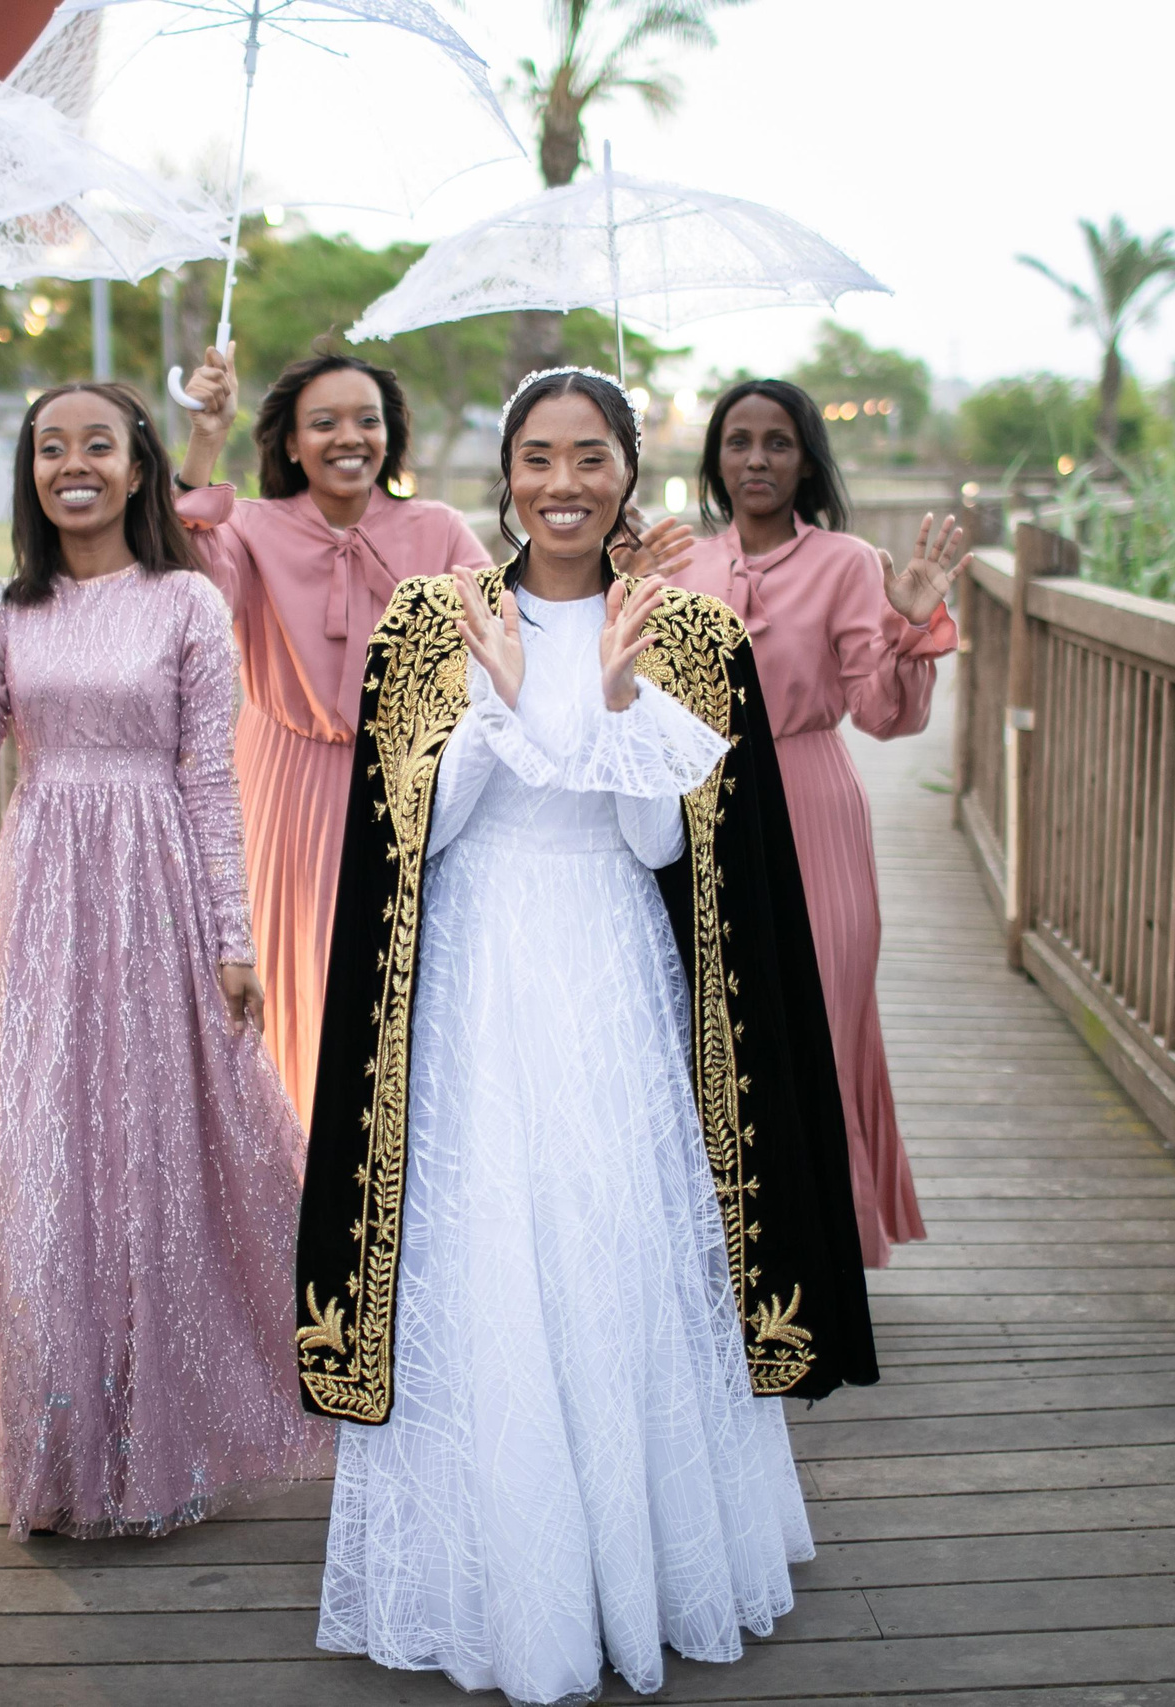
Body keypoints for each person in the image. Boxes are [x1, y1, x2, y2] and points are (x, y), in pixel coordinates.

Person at [295, 367, 879, 1704]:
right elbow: (415, 842)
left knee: (617, 1225)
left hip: (613, 964)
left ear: (628, 472)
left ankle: (642, 1558)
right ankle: (492, 1568)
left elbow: (667, 850)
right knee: (487, 1234)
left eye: (590, 457)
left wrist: (616, 702)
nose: (563, 483)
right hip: (475, 973)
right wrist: (498, 702)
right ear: (507, 474)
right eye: (539, 457)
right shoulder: (431, 620)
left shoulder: (687, 631)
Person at [0, 381, 325, 1540]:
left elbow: (210, 780)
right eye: (51, 447)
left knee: (155, 1153)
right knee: (48, 1164)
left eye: (98, 445)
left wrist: (232, 939)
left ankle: (164, 1440)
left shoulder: (185, 601)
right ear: (30, 473)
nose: (73, 464)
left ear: (139, 469)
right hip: (46, 897)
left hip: (159, 891)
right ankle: (64, 1451)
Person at [649, 379, 968, 1268]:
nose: (757, 458)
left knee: (823, 1020)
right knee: (719, 1025)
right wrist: (620, 587)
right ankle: (729, 1247)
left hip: (813, 807)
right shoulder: (678, 562)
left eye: (778, 442)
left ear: (806, 459)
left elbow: (883, 714)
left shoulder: (847, 562)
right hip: (706, 810)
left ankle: (827, 1242)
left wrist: (909, 627)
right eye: (738, 441)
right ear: (715, 458)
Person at [172, 345, 493, 1129]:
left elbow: (503, 631)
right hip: (286, 779)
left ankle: (397, 1159)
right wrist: (206, 438)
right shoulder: (249, 527)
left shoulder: (439, 530)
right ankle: (304, 1161)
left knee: (407, 977)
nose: (349, 437)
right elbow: (186, 581)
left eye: (366, 420)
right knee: (295, 972)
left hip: (412, 781)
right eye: (324, 423)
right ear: (290, 441)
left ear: (390, 434)